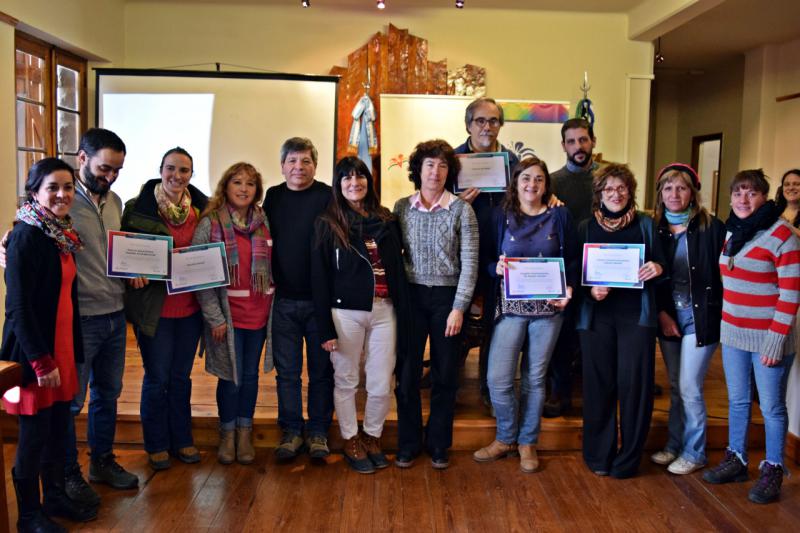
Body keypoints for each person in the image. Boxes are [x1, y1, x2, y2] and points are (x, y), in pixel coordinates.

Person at [0, 128, 137, 506]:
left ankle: (101, 463)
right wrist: (7, 247)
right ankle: (66, 477)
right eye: (104, 168)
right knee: (67, 407)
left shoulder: (113, 203)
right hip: (77, 323)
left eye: (117, 170)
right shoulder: (52, 211)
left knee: (106, 396)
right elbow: (20, 256)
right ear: (82, 159)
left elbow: (113, 253)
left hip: (110, 315)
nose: (109, 176)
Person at [2, 158, 97, 530]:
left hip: (63, 351)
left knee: (59, 430)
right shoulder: (25, 236)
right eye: (53, 187)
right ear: (35, 191)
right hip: (35, 355)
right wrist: (41, 361)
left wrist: (63, 356)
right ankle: (28, 515)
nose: (62, 194)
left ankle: (55, 498)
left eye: (68, 187)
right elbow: (17, 308)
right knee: (34, 436)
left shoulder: (61, 233)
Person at [473, 156, 578, 473]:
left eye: (539, 179)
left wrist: (570, 287)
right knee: (498, 379)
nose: (532, 184)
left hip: (549, 310)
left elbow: (572, 259)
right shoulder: (499, 216)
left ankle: (527, 442)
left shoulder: (560, 215)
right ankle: (505, 437)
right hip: (509, 309)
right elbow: (485, 261)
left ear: (547, 184)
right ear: (515, 182)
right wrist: (496, 268)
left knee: (534, 379)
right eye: (526, 178)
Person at [702, 169, 800, 505]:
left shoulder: (783, 236)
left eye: (752, 193)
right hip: (733, 334)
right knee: (738, 401)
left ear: (764, 197)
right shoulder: (734, 232)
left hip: (769, 339)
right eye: (739, 192)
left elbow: (789, 295)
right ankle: (737, 459)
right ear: (730, 197)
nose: (744, 199)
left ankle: (773, 468)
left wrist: (775, 341)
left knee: (772, 407)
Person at [311, 156, 412, 474]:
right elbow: (319, 279)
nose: (354, 183)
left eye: (360, 177)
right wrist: (324, 328)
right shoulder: (328, 224)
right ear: (338, 185)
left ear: (369, 181)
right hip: (345, 313)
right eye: (347, 178)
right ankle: (351, 439)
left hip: (385, 310)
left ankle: (372, 436)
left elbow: (397, 266)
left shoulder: (386, 219)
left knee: (382, 382)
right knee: (346, 379)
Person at [393, 139, 479, 469]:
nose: (436, 171)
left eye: (443, 166)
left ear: (450, 172)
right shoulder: (402, 207)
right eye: (430, 164)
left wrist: (459, 307)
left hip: (447, 300)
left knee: (445, 375)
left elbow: (470, 262)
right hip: (412, 298)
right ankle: (408, 442)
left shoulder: (461, 210)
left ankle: (439, 443)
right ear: (418, 169)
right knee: (408, 373)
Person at [122, 147, 208, 470]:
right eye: (171, 168)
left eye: (184, 170)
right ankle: (156, 443)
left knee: (181, 378)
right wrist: (132, 273)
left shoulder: (202, 211)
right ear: (160, 169)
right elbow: (123, 255)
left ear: (191, 175)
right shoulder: (137, 209)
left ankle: (182, 439)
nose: (177, 175)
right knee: (157, 378)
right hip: (154, 311)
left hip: (190, 311)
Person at [577, 163, 665, 479]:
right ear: (599, 193)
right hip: (596, 318)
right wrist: (591, 290)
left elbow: (662, 264)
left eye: (622, 188)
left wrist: (657, 268)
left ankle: (628, 459)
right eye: (609, 189)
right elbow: (575, 276)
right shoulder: (585, 227)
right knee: (599, 387)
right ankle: (598, 455)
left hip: (636, 318)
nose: (615, 194)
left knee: (635, 389)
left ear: (630, 192)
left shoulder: (646, 224)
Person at [192, 162, 273, 465]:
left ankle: (244, 432)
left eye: (250, 184)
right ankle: (226, 433)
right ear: (225, 187)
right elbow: (199, 275)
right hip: (226, 318)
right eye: (237, 182)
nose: (243, 189)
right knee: (230, 378)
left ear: (257, 191)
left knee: (250, 377)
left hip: (258, 314)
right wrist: (215, 317)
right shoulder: (210, 223)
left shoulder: (264, 222)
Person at [649, 163, 725, 475]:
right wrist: (663, 315)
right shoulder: (654, 228)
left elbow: (725, 274)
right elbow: (653, 279)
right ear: (660, 194)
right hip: (669, 317)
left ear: (692, 192)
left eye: (681, 187)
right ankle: (674, 444)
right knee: (677, 386)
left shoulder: (711, 227)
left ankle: (695, 452)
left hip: (701, 318)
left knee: (690, 386)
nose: (674, 194)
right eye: (668, 188)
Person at [263, 137, 334, 461]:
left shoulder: (327, 195)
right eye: (292, 161)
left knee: (321, 372)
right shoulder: (273, 197)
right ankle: (291, 431)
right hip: (284, 303)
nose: (298, 167)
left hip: (321, 304)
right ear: (282, 166)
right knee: (287, 373)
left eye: (305, 161)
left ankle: (318, 432)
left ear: (314, 166)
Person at [452, 97, 521, 408]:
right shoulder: (451, 161)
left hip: (499, 254)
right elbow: (435, 209)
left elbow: (529, 199)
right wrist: (457, 205)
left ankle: (488, 386)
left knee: (495, 319)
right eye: (480, 120)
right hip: (460, 254)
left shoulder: (512, 161)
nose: (487, 127)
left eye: (493, 121)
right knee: (457, 317)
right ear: (468, 124)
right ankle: (449, 382)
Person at [544, 117, 600, 418]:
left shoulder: (606, 179)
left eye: (583, 140)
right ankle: (559, 392)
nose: (578, 146)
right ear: (564, 145)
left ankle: (597, 393)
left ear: (592, 141)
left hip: (600, 269)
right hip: (564, 266)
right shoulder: (552, 182)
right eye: (571, 141)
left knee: (594, 332)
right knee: (561, 334)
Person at [775, 168, 800, 236]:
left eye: (797, 184)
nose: (791, 188)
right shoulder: (773, 211)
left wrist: (786, 226)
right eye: (787, 184)